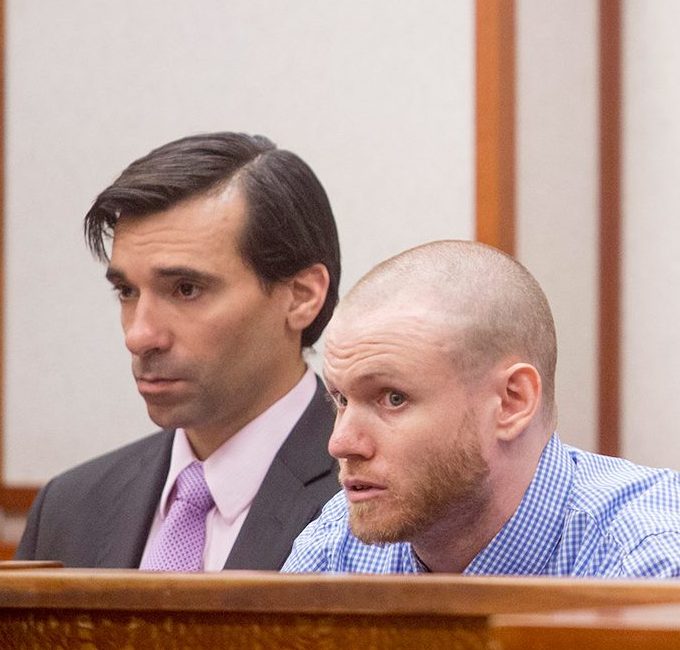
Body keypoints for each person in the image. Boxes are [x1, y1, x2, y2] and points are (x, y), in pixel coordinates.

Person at [16, 132, 341, 571]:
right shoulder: (70, 507)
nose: (139, 335)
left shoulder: (379, 504)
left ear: (301, 297)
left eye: (186, 289)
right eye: (127, 291)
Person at [282, 240, 680, 578]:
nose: (340, 442)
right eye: (341, 399)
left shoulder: (647, 564)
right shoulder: (334, 550)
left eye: (393, 398)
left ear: (512, 402)